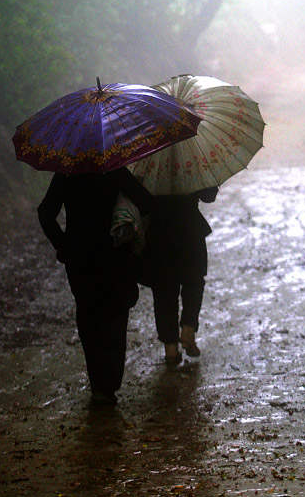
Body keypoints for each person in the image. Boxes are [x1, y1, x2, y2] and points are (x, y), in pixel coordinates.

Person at [37, 166, 153, 406]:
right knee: (116, 318)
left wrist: (63, 245)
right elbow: (146, 202)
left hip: (80, 261)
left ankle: (98, 384)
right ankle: (110, 383)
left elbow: (45, 213)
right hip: (115, 257)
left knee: (89, 317)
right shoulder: (114, 170)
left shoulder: (66, 173)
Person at [140, 185, 219, 364]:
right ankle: (188, 330)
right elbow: (208, 196)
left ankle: (170, 348)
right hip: (190, 229)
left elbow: (141, 201)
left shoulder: (147, 159)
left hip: (159, 233)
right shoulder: (192, 158)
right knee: (194, 281)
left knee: (163, 289)